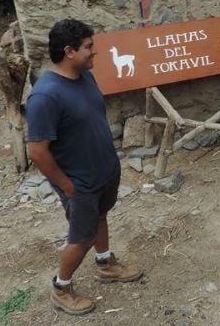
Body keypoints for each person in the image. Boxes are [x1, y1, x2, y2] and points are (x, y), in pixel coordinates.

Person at [26, 19, 143, 315]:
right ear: (69, 51)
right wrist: (66, 186)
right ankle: (61, 287)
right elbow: (37, 151)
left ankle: (105, 264)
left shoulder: (84, 76)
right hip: (79, 182)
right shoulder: (45, 96)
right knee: (81, 237)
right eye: (89, 47)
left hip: (101, 172)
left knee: (100, 217)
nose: (95, 52)